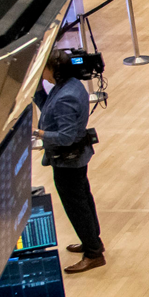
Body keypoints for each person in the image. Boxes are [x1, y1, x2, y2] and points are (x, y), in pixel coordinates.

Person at [35, 49, 105, 273]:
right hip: (76, 158)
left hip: (68, 160)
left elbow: (66, 137)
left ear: (53, 70)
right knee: (83, 198)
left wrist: (40, 134)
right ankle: (92, 241)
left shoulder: (66, 96)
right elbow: (49, 108)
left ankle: (93, 253)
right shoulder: (71, 85)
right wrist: (37, 90)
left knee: (76, 207)